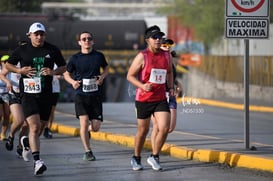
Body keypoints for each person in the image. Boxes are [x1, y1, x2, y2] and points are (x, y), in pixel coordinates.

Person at [6, 22, 66, 175]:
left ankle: (25, 143)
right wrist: (20, 70)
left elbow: (64, 67)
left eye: (42, 34)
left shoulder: (52, 49)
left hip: (45, 93)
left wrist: (52, 72)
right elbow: (8, 65)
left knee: (40, 127)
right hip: (28, 93)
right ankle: (38, 162)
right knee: (34, 126)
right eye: (36, 34)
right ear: (30, 35)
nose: (39, 37)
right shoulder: (22, 49)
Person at [127, 25, 174, 171]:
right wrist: (142, 86)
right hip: (144, 99)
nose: (158, 40)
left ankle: (154, 156)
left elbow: (170, 72)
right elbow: (129, 76)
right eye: (155, 37)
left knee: (165, 127)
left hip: (160, 98)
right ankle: (136, 158)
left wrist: (170, 87)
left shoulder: (166, 55)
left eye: (160, 37)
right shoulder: (142, 56)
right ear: (147, 40)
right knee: (143, 130)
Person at [63, 31, 109, 161]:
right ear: (79, 42)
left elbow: (106, 68)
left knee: (95, 128)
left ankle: (88, 130)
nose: (86, 41)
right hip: (80, 95)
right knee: (83, 123)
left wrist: (102, 77)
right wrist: (73, 82)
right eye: (84, 39)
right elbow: (66, 74)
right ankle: (88, 151)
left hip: (95, 95)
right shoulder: (75, 58)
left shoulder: (99, 56)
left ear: (93, 41)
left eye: (89, 39)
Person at [0, 52, 31, 162]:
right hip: (14, 94)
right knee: (19, 120)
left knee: (26, 124)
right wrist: (8, 82)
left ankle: (20, 146)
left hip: (28, 95)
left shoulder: (30, 62)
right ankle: (11, 135)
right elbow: (1, 74)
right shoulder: (13, 63)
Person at [43, 64, 61, 139]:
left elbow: (60, 74)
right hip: (45, 90)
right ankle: (43, 127)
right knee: (45, 110)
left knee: (52, 111)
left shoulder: (56, 64)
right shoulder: (44, 62)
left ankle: (48, 129)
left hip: (55, 89)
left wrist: (58, 75)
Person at [0, 55, 11, 141]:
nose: (6, 63)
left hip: (7, 94)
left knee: (7, 115)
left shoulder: (12, 71)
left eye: (8, 61)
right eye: (4, 61)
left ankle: (3, 134)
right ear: (1, 62)